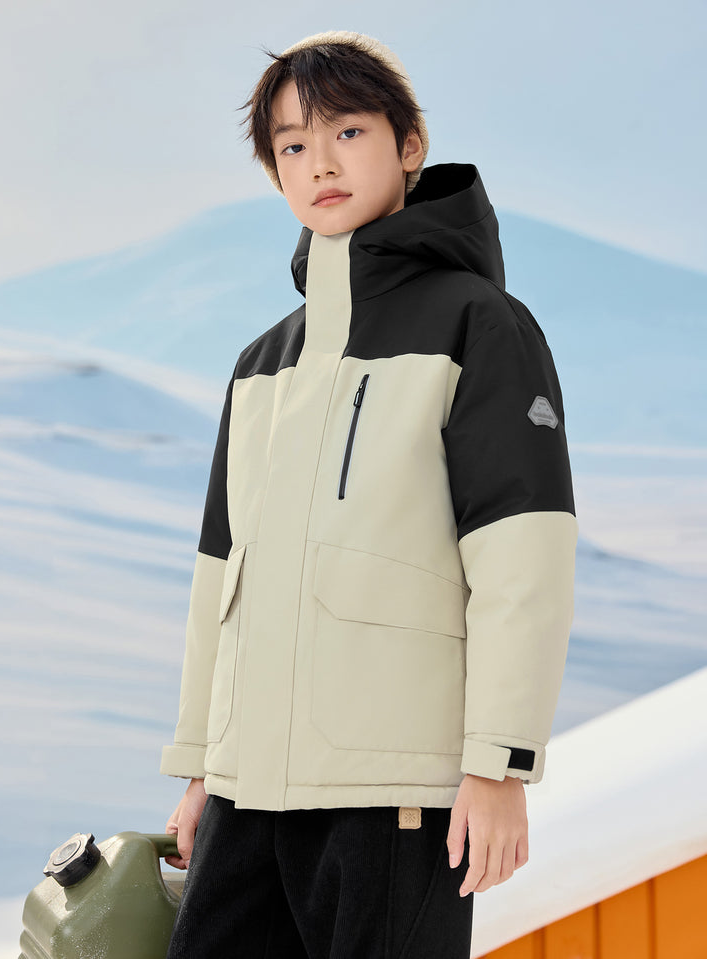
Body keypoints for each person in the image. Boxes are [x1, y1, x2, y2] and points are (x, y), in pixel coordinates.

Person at [160, 29, 577, 959]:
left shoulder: (481, 324)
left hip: (397, 798)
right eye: (292, 146)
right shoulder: (261, 364)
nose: (320, 164)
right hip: (246, 796)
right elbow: (218, 579)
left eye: (347, 132)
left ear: (408, 144)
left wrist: (499, 764)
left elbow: (523, 556)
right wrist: (200, 767)